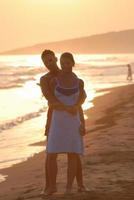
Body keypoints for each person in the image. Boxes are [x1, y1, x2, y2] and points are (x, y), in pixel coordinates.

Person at [40, 50, 87, 195]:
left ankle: (80, 184)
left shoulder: (69, 74)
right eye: (46, 62)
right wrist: (67, 108)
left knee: (73, 150)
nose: (49, 64)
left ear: (55, 59)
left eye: (51, 60)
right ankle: (50, 186)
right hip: (53, 116)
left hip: (71, 116)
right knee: (51, 153)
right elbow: (51, 100)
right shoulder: (45, 79)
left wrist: (82, 121)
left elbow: (81, 98)